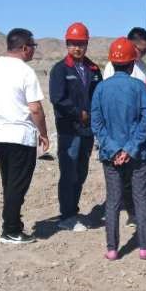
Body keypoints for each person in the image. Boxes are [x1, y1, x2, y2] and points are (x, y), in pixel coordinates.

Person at [91, 38, 146, 261]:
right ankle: (145, 247)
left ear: (112, 62)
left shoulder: (100, 88)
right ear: (132, 64)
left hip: (110, 156)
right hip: (139, 154)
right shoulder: (139, 87)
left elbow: (97, 124)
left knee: (113, 200)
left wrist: (113, 150)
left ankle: (112, 249)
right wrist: (129, 149)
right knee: (141, 198)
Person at [0, 28, 49, 244]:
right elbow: (35, 108)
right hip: (21, 136)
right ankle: (10, 231)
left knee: (9, 183)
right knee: (17, 185)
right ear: (25, 48)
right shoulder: (25, 71)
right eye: (33, 46)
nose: (34, 50)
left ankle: (14, 225)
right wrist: (44, 134)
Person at [48, 22, 102, 232]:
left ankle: (73, 210)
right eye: (73, 44)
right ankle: (67, 216)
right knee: (68, 172)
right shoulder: (60, 70)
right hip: (69, 131)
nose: (77, 48)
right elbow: (57, 98)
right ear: (67, 44)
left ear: (87, 44)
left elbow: (99, 95)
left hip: (87, 131)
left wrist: (95, 117)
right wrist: (79, 113)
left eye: (81, 44)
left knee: (81, 172)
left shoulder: (93, 69)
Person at [103, 27, 146, 226]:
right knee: (123, 175)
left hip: (140, 129)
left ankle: (140, 212)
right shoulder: (112, 68)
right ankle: (131, 212)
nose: (143, 53)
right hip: (121, 129)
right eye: (141, 50)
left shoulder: (143, 67)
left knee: (140, 174)